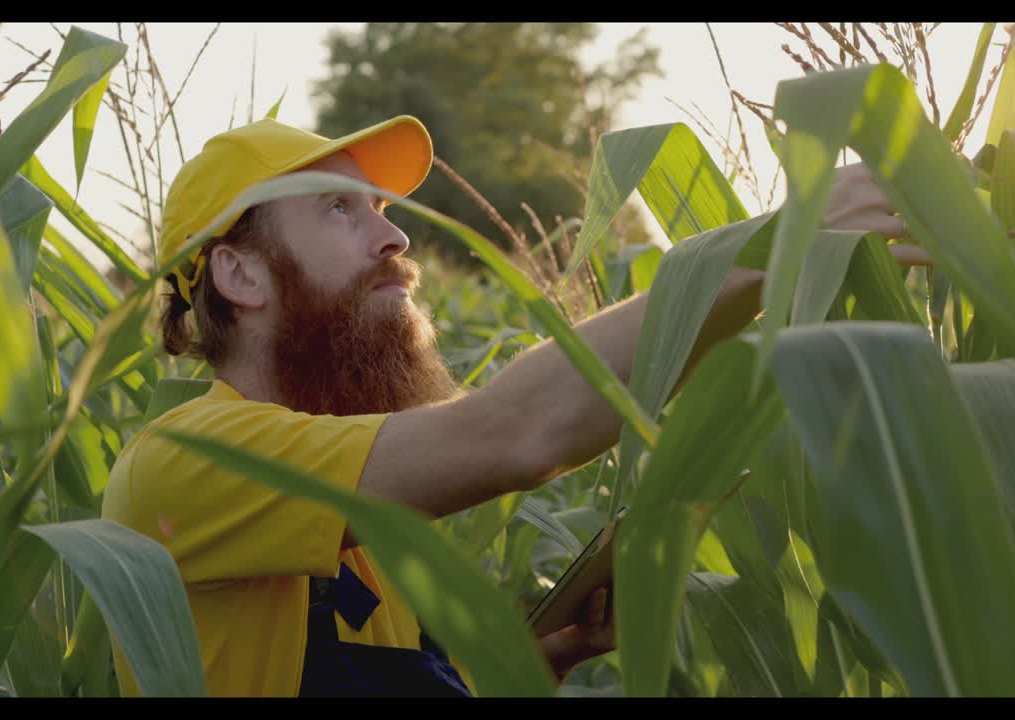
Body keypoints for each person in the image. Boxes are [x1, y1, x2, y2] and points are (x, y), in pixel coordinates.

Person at [100, 115, 920, 698]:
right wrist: (774, 246)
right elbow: (518, 431)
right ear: (240, 276)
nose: (397, 241)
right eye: (339, 208)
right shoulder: (188, 462)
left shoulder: (358, 510)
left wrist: (524, 670)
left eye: (384, 210)